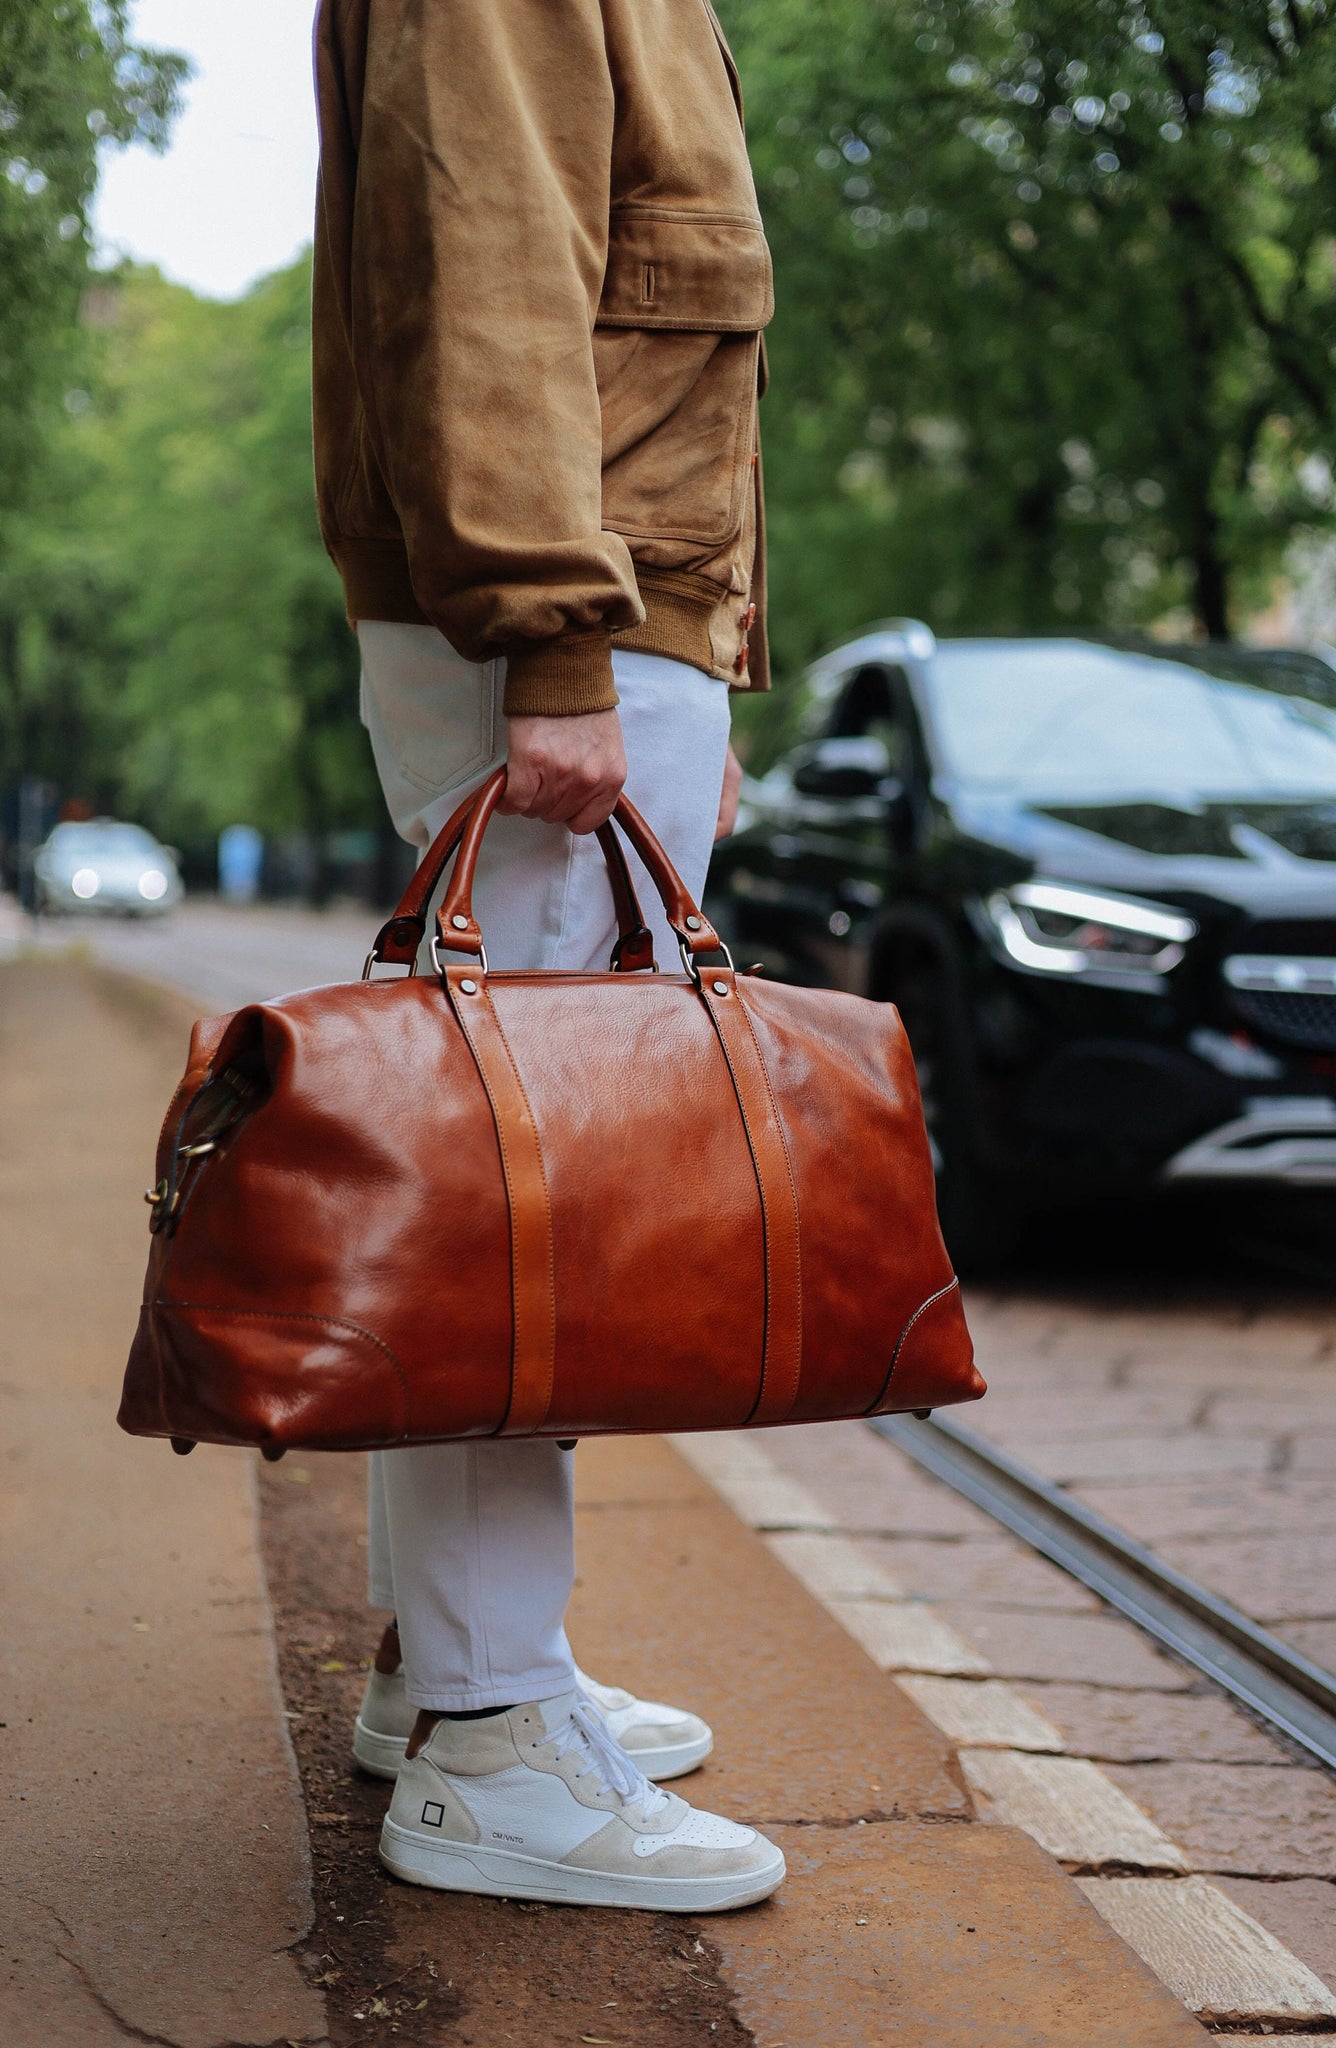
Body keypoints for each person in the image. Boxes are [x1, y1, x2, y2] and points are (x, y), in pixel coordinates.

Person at [311, 0, 783, 1910]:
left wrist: (691, 667)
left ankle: (461, 1674)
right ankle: (492, 1739)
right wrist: (573, 651)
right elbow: (496, 261)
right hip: (559, 613)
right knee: (518, 1184)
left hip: (603, 605)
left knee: (520, 1166)